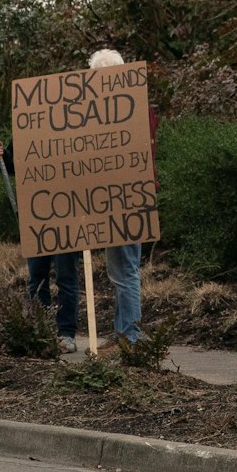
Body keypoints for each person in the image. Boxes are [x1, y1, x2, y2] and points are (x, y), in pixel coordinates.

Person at [0, 132, 80, 353]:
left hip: (68, 214)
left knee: (66, 277)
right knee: (36, 278)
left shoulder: (73, 127)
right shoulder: (29, 125)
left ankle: (66, 334)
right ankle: (42, 332)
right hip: (36, 216)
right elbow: (13, 165)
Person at [88, 47, 152, 346]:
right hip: (118, 200)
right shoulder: (130, 108)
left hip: (125, 200)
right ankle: (122, 331)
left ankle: (130, 337)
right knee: (119, 269)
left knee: (125, 270)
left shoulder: (127, 112)